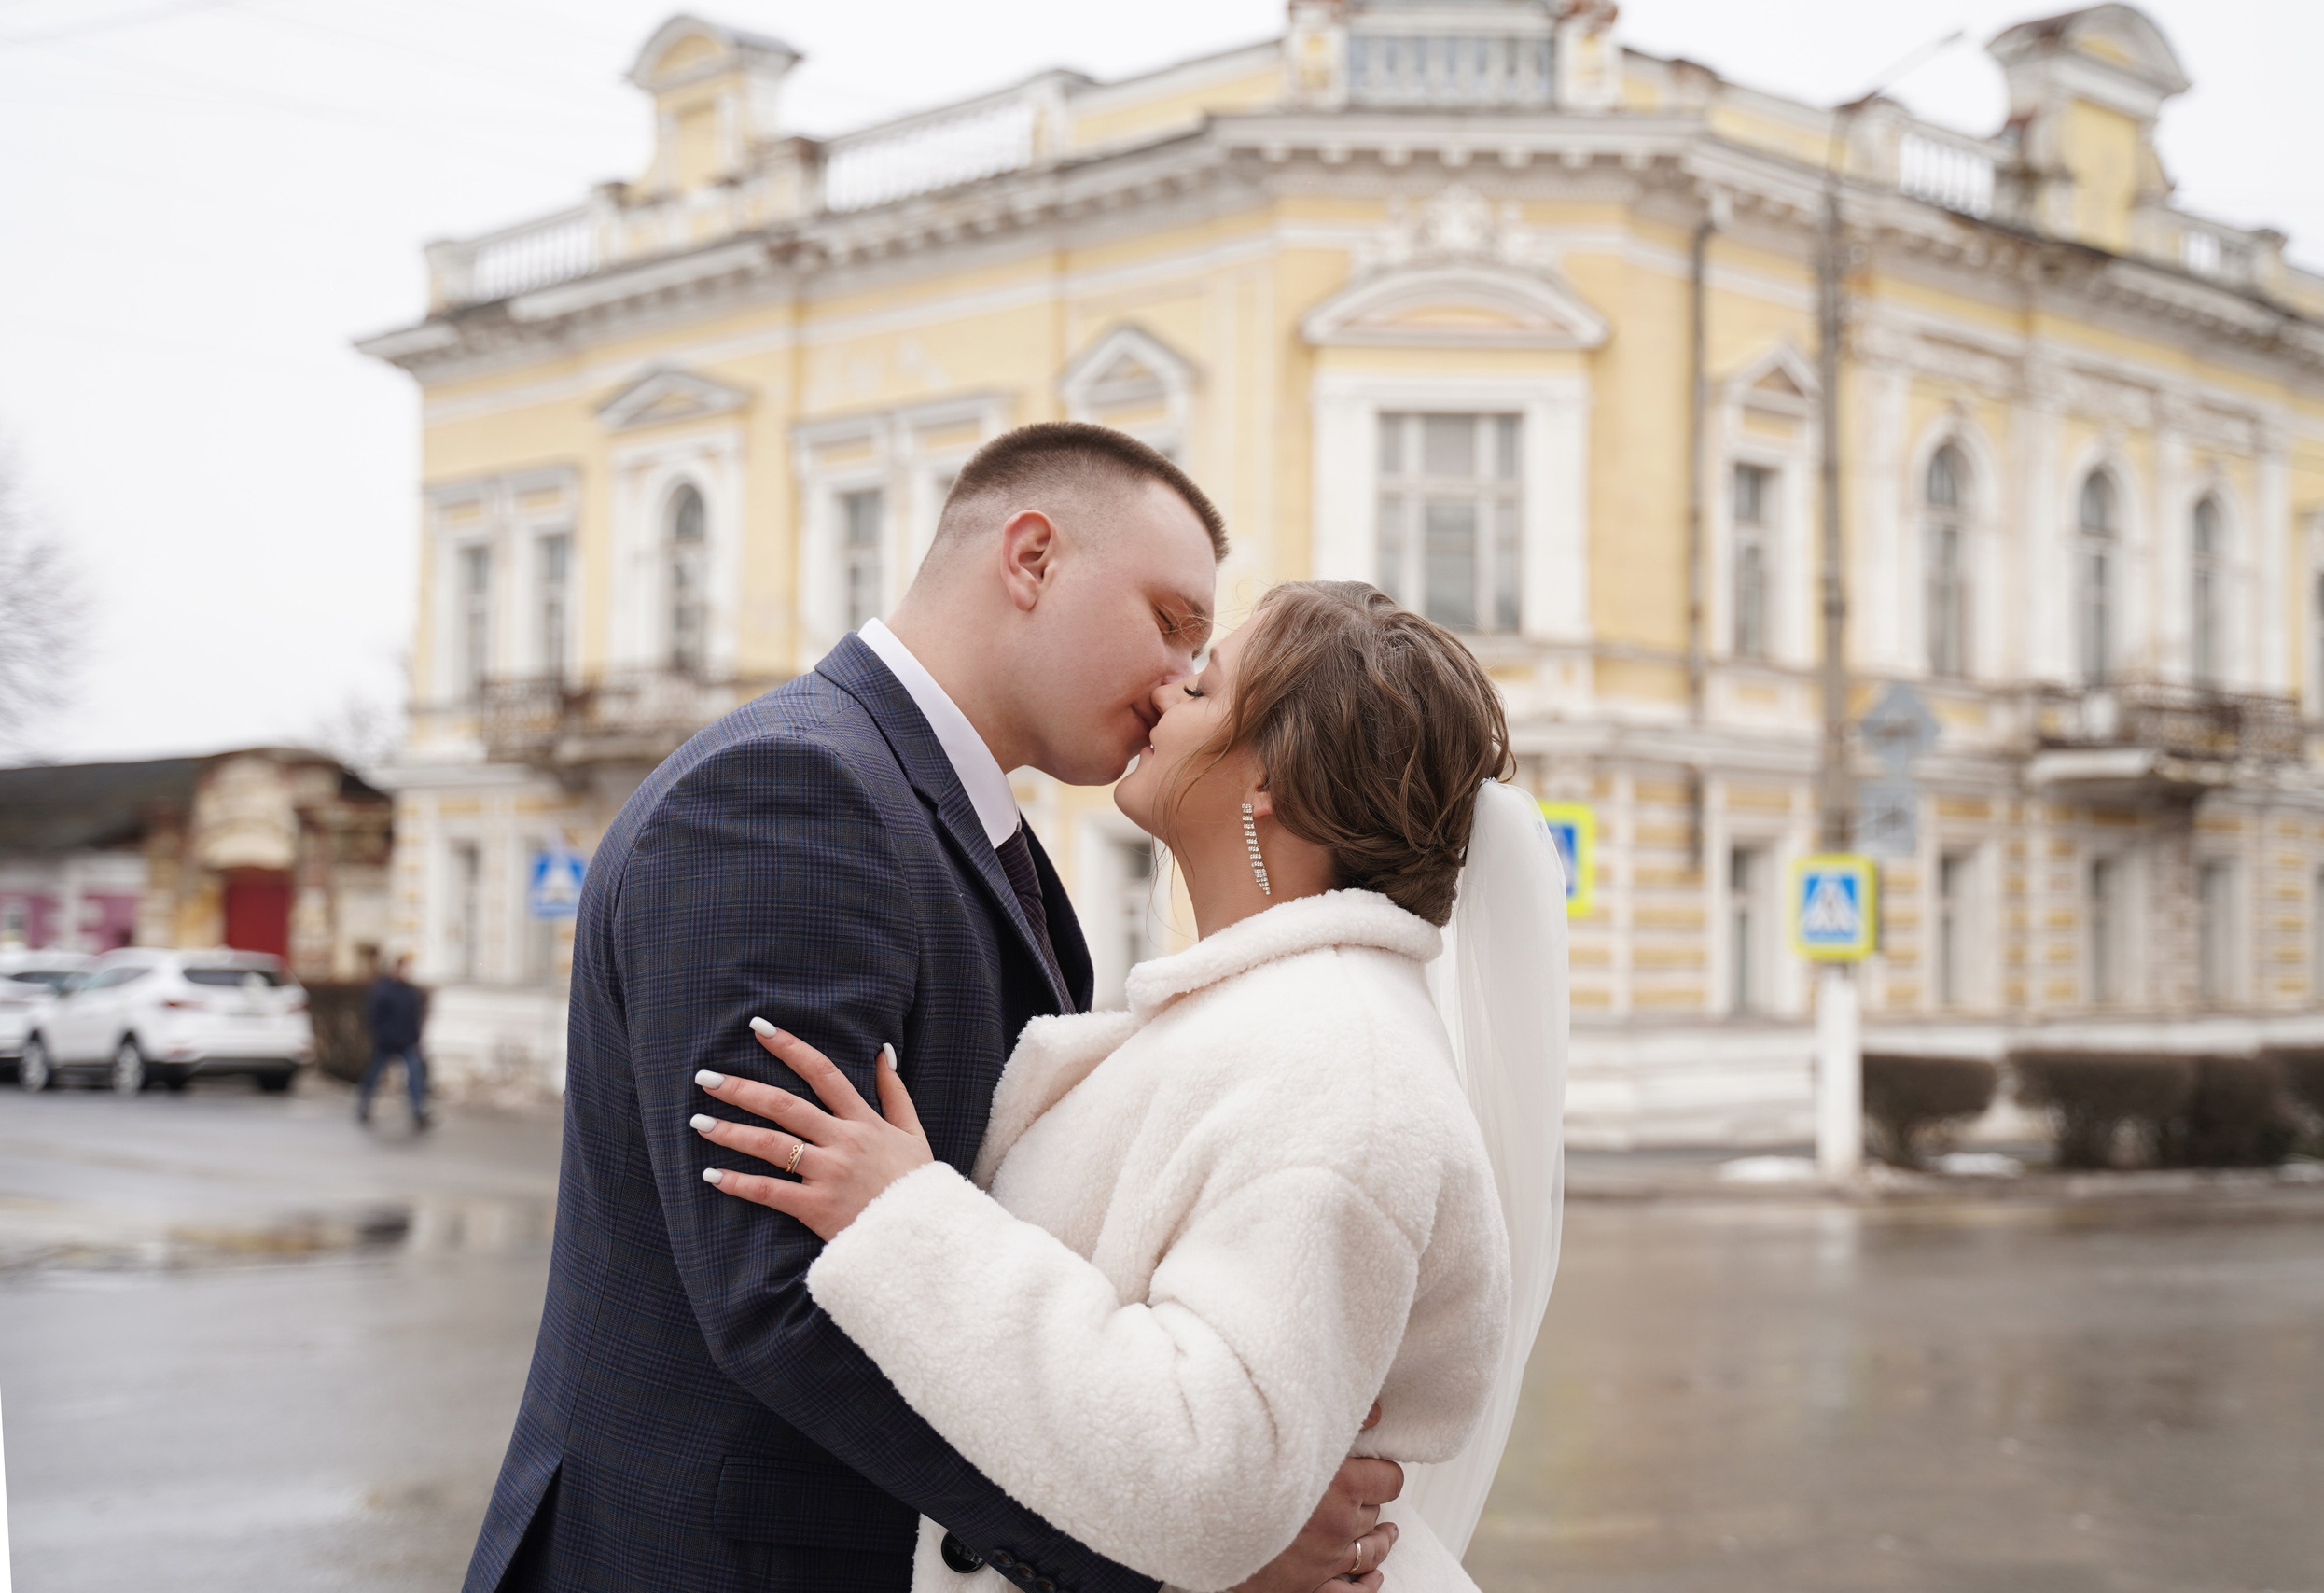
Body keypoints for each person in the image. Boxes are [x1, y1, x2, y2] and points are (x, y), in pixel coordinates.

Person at [465, 426, 1408, 1593]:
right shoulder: (790, 792)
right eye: (1170, 622)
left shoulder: (965, 831)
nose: (1178, 680)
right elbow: (783, 1288)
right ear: (1031, 558)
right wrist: (1173, 1551)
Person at [693, 582, 1570, 1592]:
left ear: (1272, 777)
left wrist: (905, 1222)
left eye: (1202, 686)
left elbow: (1209, 1475)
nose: (1163, 694)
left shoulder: (1339, 1062)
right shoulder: (1287, 1022)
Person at [359, 953, 430, 1131]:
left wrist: (416, 1039)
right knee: (374, 1076)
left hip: (407, 1042)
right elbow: (374, 1017)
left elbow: (415, 1018)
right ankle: (363, 1106)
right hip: (386, 1043)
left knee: (415, 1077)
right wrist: (383, 1036)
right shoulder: (383, 991)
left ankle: (418, 1111)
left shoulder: (411, 993)